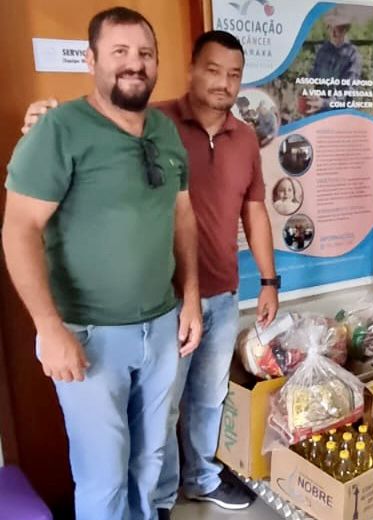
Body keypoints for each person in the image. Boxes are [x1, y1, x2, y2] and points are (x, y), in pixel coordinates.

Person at [23, 31, 280, 517]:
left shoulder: (244, 137)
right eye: (213, 70)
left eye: (234, 74)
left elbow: (254, 210)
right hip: (162, 303)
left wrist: (268, 281)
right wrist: (44, 122)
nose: (223, 83)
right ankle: (161, 499)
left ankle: (200, 477)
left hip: (221, 294)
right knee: (156, 419)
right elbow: (94, 120)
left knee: (209, 398)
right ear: (191, 68)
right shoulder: (154, 120)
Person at [4, 8, 202, 520]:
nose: (134, 63)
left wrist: (191, 299)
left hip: (161, 327)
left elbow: (182, 217)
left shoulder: (165, 131)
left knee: (151, 460)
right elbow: (18, 229)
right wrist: (49, 328)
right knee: (104, 475)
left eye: (145, 53)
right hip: (88, 335)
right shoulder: (59, 130)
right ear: (91, 60)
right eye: (120, 52)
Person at [304, 6, 362, 114]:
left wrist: (324, 103)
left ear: (345, 29)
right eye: (330, 27)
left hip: (341, 114)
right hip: (319, 112)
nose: (333, 32)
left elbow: (347, 93)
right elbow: (313, 78)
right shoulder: (322, 51)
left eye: (338, 28)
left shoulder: (353, 56)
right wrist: (309, 92)